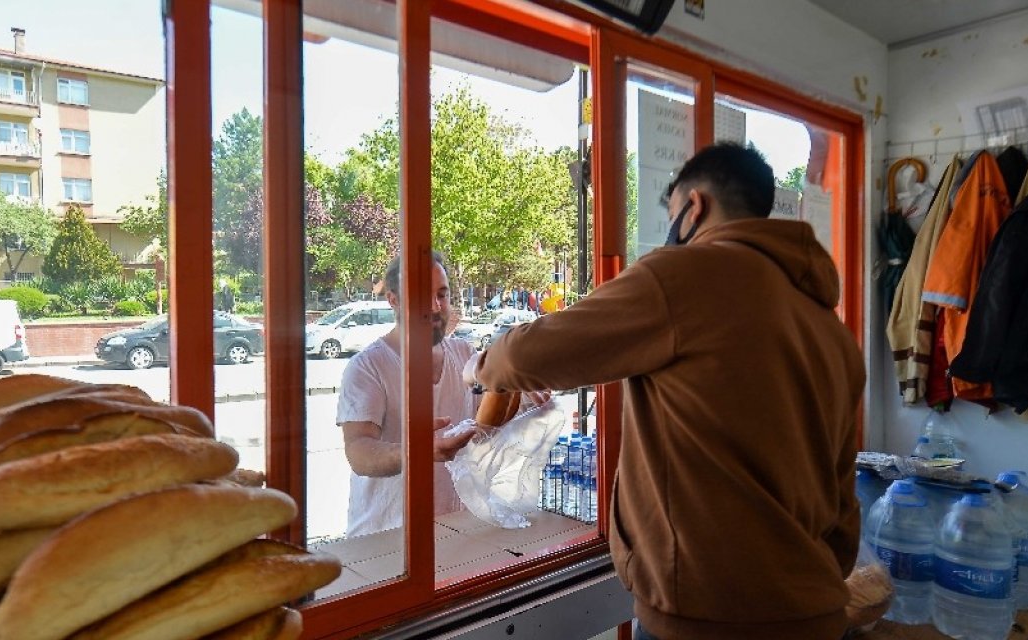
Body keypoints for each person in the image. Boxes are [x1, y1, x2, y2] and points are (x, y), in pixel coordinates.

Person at [466, 143, 865, 640]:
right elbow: (843, 494)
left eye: (672, 212)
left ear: (694, 206)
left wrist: (478, 367)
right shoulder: (828, 325)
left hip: (707, 617)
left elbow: (524, 358)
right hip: (816, 610)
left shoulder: (685, 276)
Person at [338, 252, 549, 538]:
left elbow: (488, 423)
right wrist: (417, 452)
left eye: (442, 294)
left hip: (456, 530)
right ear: (393, 300)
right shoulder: (367, 367)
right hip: (386, 537)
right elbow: (358, 452)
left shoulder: (463, 355)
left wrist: (524, 392)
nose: (436, 307)